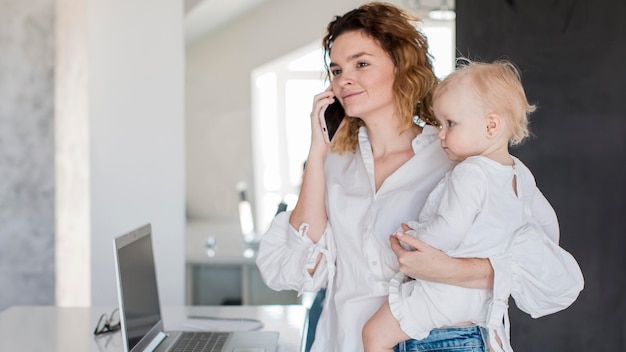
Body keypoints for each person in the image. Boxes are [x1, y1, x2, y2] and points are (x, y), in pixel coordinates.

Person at [255, 3, 584, 351]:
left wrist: (449, 269)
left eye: (361, 63)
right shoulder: (334, 163)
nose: (343, 79)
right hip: (344, 341)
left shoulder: (458, 157)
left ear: (401, 65)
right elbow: (293, 271)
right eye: (336, 69)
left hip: (436, 341)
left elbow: (544, 269)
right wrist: (317, 151)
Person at [362, 59, 574, 352]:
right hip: (482, 303)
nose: (441, 133)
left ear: (490, 125)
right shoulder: (519, 172)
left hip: (442, 294)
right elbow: (548, 227)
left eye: (450, 123)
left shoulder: (471, 171)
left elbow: (449, 229)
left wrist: (414, 241)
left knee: (373, 336)